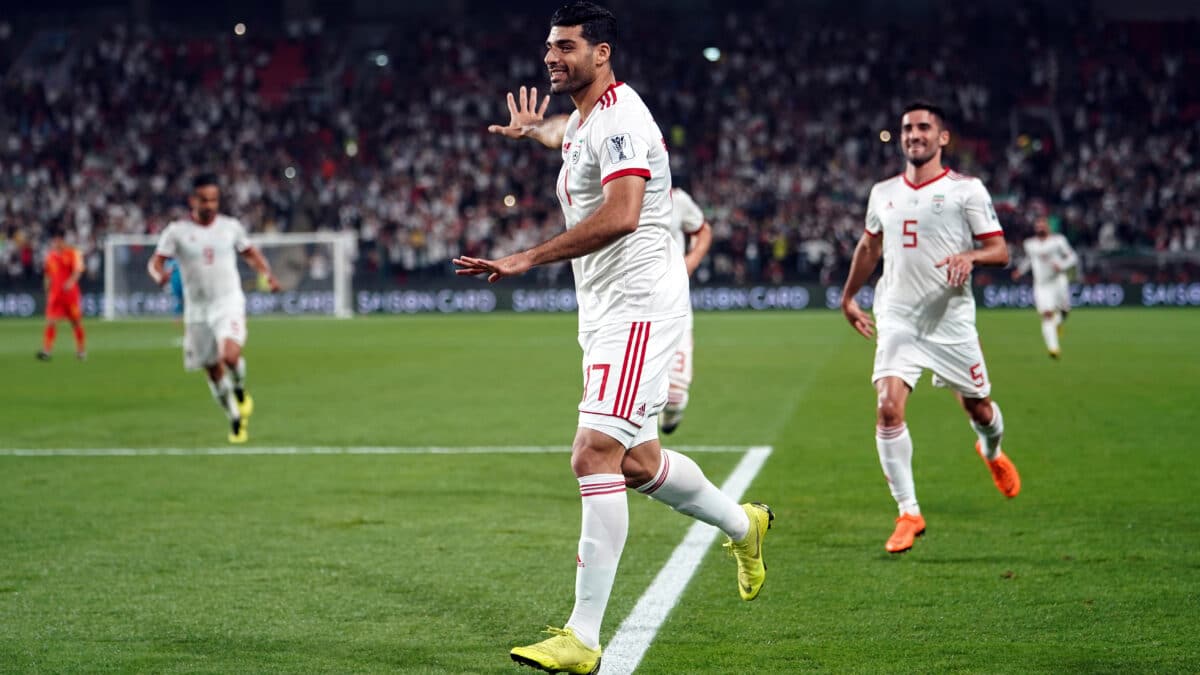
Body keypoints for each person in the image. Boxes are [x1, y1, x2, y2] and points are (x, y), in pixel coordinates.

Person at [454, 4, 772, 672]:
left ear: (602, 53)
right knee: (636, 461)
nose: (551, 58)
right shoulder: (586, 120)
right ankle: (746, 526)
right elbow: (567, 138)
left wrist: (525, 257)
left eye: (566, 47)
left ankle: (583, 637)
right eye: (548, 47)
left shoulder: (625, 117)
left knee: (592, 452)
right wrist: (531, 132)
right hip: (601, 312)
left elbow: (624, 213)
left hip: (636, 308)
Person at [839, 102, 1021, 555]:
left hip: (950, 320)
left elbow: (1000, 251)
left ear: (942, 138)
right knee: (887, 408)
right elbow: (869, 245)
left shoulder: (967, 190)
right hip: (898, 316)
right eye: (906, 128)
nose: (913, 134)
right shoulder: (882, 192)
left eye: (923, 128)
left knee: (979, 409)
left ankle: (992, 452)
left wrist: (971, 257)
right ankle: (909, 511)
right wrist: (848, 296)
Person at [147, 174, 280, 444]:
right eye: (204, 200)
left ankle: (241, 389)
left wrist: (267, 273)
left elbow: (250, 253)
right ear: (193, 200)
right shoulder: (177, 232)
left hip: (227, 301)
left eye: (214, 200)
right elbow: (155, 262)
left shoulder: (230, 227)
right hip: (196, 310)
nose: (210, 205)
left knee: (229, 356)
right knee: (212, 370)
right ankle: (234, 416)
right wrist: (158, 276)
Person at [660, 185, 712, 434]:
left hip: (674, 300)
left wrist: (690, 262)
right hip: (631, 303)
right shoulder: (615, 192)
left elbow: (702, 230)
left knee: (674, 397)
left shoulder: (676, 199)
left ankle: (670, 415)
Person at [1011, 215, 1078, 358]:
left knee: (1064, 311)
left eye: (1042, 225)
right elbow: (1029, 259)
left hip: (1058, 281)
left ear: (1048, 226)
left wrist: (1062, 265)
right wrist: (1020, 271)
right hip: (1042, 285)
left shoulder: (1058, 241)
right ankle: (1053, 348)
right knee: (1047, 314)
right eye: (1037, 225)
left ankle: (1058, 322)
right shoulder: (1029, 244)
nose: (1040, 227)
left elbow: (1073, 257)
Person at [37, 227, 87, 361]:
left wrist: (70, 282)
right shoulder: (50, 257)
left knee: (75, 322)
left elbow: (78, 270)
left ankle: (81, 351)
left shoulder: (72, 253)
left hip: (70, 295)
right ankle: (46, 351)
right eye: (55, 240)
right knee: (51, 322)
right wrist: (47, 290)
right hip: (56, 295)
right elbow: (47, 275)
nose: (57, 243)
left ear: (63, 240)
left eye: (59, 240)